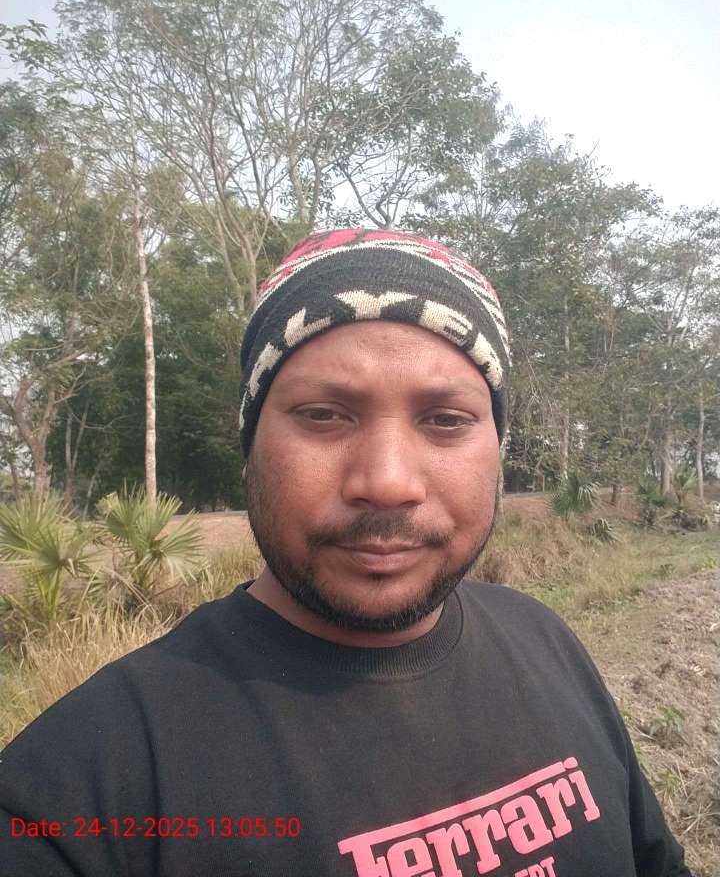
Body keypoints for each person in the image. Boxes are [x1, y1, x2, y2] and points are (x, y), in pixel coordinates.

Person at [0, 229, 691, 877]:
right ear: (250, 446)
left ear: (498, 451)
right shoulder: (80, 792)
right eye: (324, 415)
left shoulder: (546, 641)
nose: (386, 482)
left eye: (445, 420)